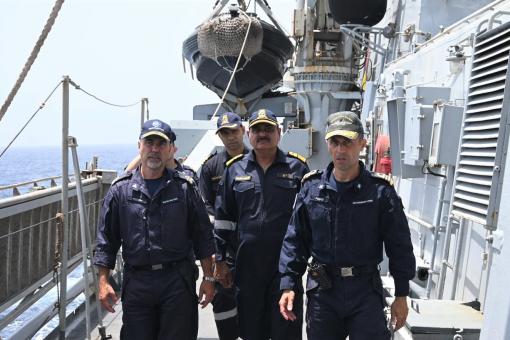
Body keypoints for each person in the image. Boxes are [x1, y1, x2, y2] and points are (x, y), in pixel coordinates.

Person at [278, 111, 416, 340]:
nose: (341, 150)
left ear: (362, 143)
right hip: (324, 292)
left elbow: (399, 245)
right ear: (328, 144)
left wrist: (401, 295)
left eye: (348, 142)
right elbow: (295, 239)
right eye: (335, 142)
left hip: (365, 292)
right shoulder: (312, 189)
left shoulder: (380, 192)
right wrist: (288, 284)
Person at [94, 119, 215, 340]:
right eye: (149, 143)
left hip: (177, 281)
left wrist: (208, 278)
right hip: (137, 282)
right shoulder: (120, 191)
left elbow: (203, 237)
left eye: (161, 144)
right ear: (139, 146)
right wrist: (103, 282)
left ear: (170, 149)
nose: (154, 149)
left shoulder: (184, 188)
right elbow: (106, 241)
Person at [214, 109, 309, 340]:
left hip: (286, 269)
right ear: (249, 134)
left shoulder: (297, 168)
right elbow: (224, 218)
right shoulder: (234, 169)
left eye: (268, 129)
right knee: (250, 332)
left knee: (285, 331)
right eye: (257, 129)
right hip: (247, 269)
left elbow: (308, 222)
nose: (263, 133)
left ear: (279, 133)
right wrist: (221, 261)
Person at [199, 112, 248, 340]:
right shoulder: (211, 168)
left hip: (251, 247)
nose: (230, 137)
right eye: (224, 133)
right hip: (224, 248)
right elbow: (206, 208)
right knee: (224, 302)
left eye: (234, 131)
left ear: (243, 131)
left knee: (252, 302)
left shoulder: (258, 160)